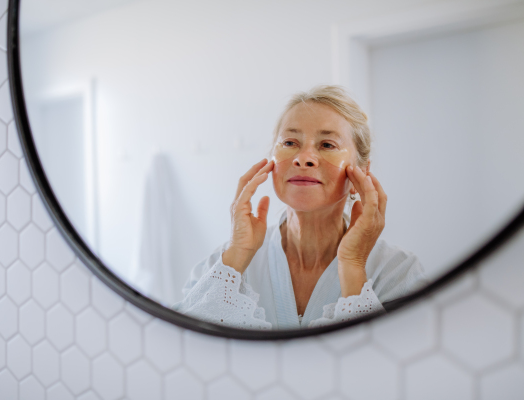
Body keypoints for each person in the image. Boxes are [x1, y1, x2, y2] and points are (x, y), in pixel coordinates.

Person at [173, 85, 426, 329]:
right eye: (290, 143)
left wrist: (353, 267)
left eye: (327, 145)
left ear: (361, 172)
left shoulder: (398, 272)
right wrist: (236, 256)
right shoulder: (224, 267)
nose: (302, 158)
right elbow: (182, 347)